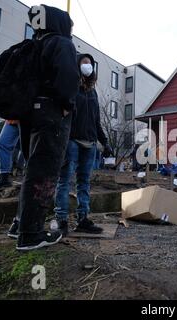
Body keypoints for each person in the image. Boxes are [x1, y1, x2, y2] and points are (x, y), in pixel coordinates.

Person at [7, 5, 80, 251]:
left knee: (32, 169)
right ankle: (31, 234)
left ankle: (19, 224)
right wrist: (67, 105)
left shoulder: (33, 44)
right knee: (45, 171)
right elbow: (68, 78)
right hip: (51, 113)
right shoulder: (61, 43)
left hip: (29, 113)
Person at [54, 53, 113, 236]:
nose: (87, 66)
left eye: (90, 64)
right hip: (71, 140)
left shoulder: (92, 92)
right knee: (64, 181)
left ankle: (83, 219)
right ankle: (61, 220)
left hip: (90, 143)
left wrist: (105, 142)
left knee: (84, 183)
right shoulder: (70, 87)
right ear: (77, 65)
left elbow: (96, 120)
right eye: (84, 63)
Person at [0, 120, 24, 190]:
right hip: (12, 118)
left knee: (29, 147)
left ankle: (31, 180)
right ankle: (4, 178)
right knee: (2, 144)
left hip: (31, 116)